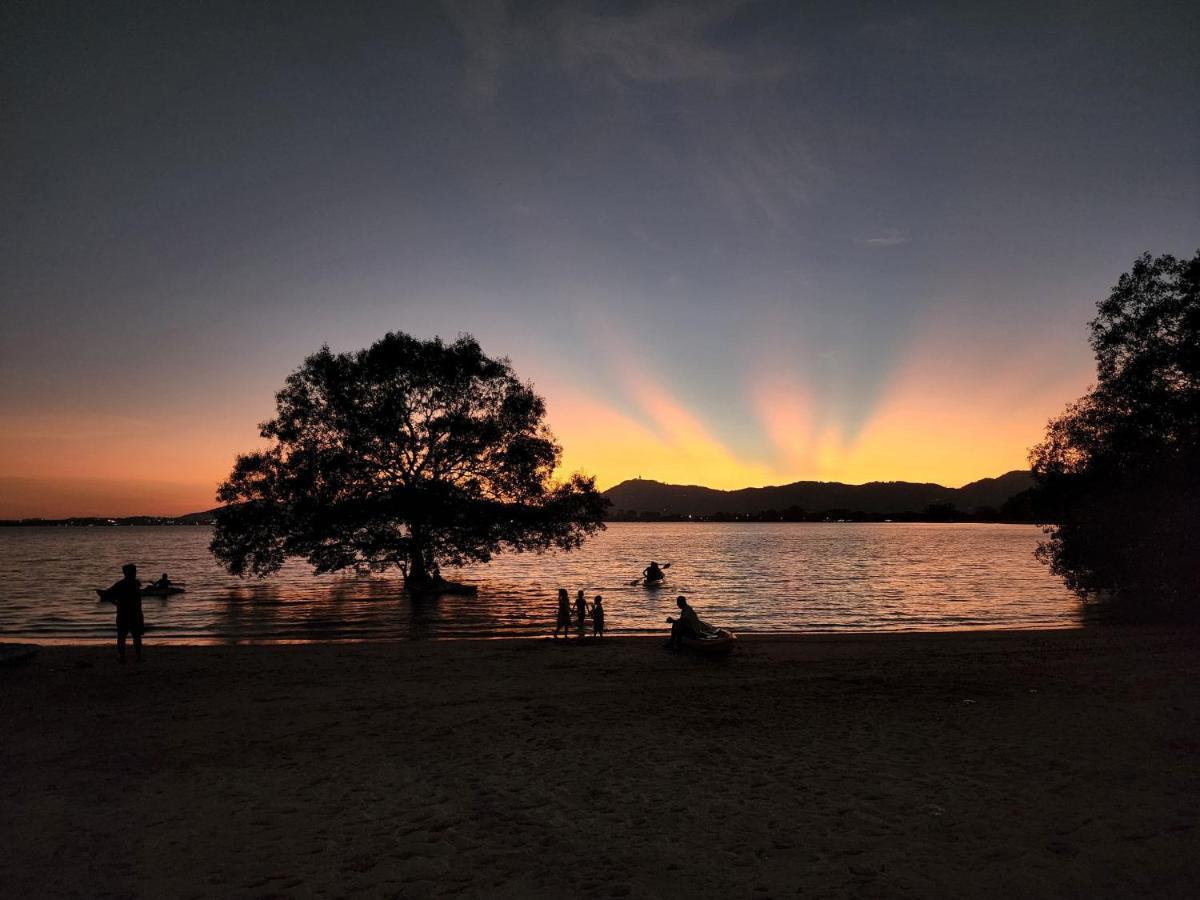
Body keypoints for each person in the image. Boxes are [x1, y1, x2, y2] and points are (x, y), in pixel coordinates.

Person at [100, 563, 144, 663]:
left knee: (123, 636)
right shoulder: (135, 584)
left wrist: (115, 602)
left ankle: (123, 657)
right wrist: (116, 602)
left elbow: (107, 594)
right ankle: (136, 657)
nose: (135, 573)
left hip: (125, 613)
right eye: (134, 571)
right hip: (134, 614)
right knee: (134, 636)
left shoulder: (123, 584)